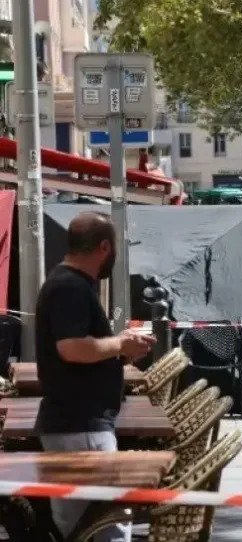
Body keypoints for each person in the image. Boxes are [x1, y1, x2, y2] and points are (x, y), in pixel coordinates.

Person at [36, 211, 156, 542]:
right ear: (105, 247)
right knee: (105, 529)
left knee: (86, 528)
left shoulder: (68, 284)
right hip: (81, 427)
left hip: (78, 426)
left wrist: (119, 350)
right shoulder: (70, 287)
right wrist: (120, 343)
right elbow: (71, 348)